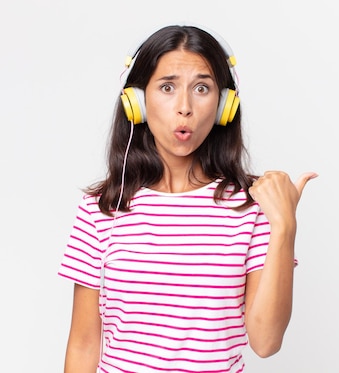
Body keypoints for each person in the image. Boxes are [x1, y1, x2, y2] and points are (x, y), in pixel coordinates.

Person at [58, 24, 317, 373]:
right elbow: (84, 343)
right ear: (138, 102)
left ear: (224, 104)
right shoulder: (101, 209)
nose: (185, 107)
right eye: (167, 87)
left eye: (202, 88)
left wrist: (284, 225)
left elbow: (266, 341)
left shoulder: (254, 208)